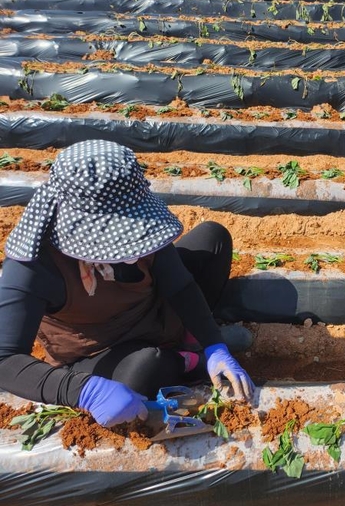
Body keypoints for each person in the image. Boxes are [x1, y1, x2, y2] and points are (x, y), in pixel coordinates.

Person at [0, 140, 255, 428]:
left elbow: (180, 285)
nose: (136, 251)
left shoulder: (133, 212)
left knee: (213, 239)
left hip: (151, 314)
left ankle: (193, 343)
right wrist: (84, 391)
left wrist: (213, 343)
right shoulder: (34, 265)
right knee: (145, 368)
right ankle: (186, 361)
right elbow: (5, 360)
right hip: (104, 351)